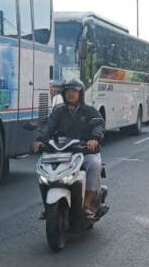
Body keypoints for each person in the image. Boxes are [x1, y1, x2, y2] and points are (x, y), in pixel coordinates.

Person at [33, 78, 105, 220]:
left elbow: (98, 125)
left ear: (80, 94)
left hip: (84, 151)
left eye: (74, 91)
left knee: (94, 164)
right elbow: (49, 127)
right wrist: (39, 140)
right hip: (61, 152)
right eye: (67, 91)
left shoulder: (89, 111)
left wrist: (94, 139)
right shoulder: (58, 111)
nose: (70, 94)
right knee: (43, 169)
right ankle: (48, 207)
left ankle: (87, 205)